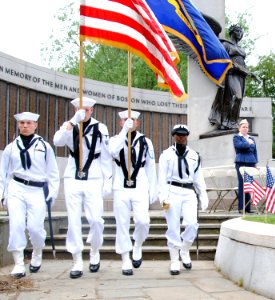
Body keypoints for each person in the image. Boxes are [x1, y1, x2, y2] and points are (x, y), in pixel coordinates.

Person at [53, 97, 112, 279]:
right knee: (74, 219)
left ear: (92, 110)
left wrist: (107, 179)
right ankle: (77, 258)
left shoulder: (101, 128)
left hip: (93, 176)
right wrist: (72, 122)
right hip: (73, 176)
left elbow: (106, 156)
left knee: (95, 219)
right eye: (80, 109)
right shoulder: (69, 125)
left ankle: (94, 250)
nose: (84, 112)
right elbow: (57, 141)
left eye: (86, 110)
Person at [0, 112, 59, 278]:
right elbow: (3, 174)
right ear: (18, 125)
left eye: (29, 123)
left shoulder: (44, 146)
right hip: (16, 188)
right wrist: (0, 194)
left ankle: (37, 252)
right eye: (22, 123)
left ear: (35, 125)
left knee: (35, 228)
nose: (25, 126)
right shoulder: (11, 147)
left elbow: (53, 173)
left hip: (37, 190)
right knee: (16, 225)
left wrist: (52, 193)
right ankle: (18, 263)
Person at [109, 110, 156, 276]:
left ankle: (137, 244)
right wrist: (124, 132)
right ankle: (125, 259)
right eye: (125, 120)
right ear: (121, 123)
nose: (129, 122)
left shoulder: (146, 141)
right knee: (122, 223)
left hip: (140, 185)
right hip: (121, 186)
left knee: (143, 221)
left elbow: (151, 165)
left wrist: (153, 189)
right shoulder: (115, 139)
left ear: (137, 123)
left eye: (133, 120)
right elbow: (113, 151)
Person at [157, 124, 208, 275]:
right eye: (178, 134)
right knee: (173, 227)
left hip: (188, 192)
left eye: (184, 134)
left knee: (192, 224)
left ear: (187, 136)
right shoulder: (166, 154)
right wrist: (163, 198)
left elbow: (198, 177)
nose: (181, 137)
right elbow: (161, 179)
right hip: (172, 191)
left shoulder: (194, 155)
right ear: (173, 136)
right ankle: (174, 260)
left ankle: (184, 250)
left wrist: (203, 194)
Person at [208, 24, 260, 130]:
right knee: (236, 97)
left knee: (238, 100)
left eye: (241, 32)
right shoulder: (226, 44)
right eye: (238, 31)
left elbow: (243, 65)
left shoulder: (240, 48)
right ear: (232, 32)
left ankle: (232, 122)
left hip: (241, 76)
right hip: (231, 74)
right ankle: (225, 121)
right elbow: (223, 59)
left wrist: (250, 73)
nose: (240, 34)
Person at [233, 119, 258, 213]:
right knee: (242, 185)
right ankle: (241, 208)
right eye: (243, 127)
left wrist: (255, 163)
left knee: (249, 185)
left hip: (251, 162)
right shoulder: (236, 137)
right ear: (239, 128)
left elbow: (255, 151)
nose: (245, 129)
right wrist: (248, 143)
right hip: (241, 162)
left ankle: (248, 208)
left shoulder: (251, 138)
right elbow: (240, 147)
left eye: (247, 127)